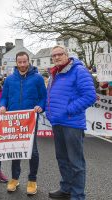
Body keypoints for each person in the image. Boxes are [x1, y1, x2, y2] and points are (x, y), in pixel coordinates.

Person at [46, 45, 96, 200]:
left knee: (76, 162)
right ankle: (66, 188)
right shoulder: (55, 73)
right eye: (54, 56)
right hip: (57, 122)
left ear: (67, 55)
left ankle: (78, 195)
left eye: (60, 54)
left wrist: (69, 110)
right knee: (62, 159)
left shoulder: (79, 71)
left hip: (72, 123)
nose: (57, 57)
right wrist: (49, 111)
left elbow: (89, 96)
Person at [0, 52, 47, 195]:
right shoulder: (9, 79)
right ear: (16, 62)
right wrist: (2, 106)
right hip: (13, 121)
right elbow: (4, 98)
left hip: (30, 120)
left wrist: (41, 106)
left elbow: (43, 97)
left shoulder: (38, 78)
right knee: (15, 150)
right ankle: (14, 178)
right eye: (19, 62)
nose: (22, 65)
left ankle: (32, 180)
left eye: (24, 62)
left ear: (28, 61)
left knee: (33, 151)